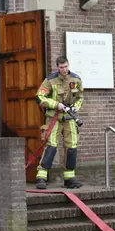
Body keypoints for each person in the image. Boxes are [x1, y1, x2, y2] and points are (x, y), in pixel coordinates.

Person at [34, 56, 84, 190]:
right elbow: (39, 97)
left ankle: (69, 178)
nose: (64, 69)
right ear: (57, 67)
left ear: (69, 65)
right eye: (61, 67)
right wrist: (56, 104)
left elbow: (80, 97)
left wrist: (76, 107)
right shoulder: (50, 80)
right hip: (54, 118)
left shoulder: (76, 79)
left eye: (66, 66)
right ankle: (41, 177)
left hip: (69, 118)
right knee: (51, 146)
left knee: (72, 146)